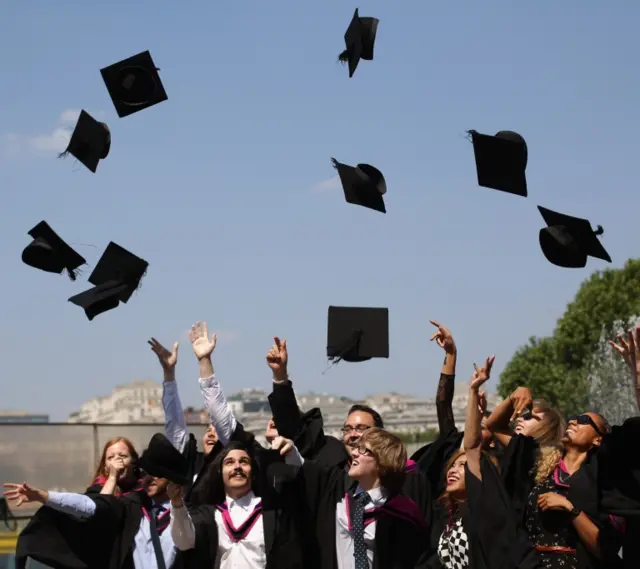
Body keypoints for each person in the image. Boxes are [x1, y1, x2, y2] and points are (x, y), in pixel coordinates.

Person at [6, 433, 207, 569]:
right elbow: (92, 506)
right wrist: (42, 496)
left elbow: (187, 541)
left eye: (123, 455)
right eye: (111, 457)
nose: (149, 478)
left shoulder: (185, 507)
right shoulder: (130, 505)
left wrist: (177, 504)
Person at [429, 355, 541, 569]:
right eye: (453, 465)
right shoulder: (448, 518)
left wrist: (473, 391)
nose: (453, 470)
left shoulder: (487, 508)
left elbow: (472, 445)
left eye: (463, 466)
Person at [276, 427, 432, 569]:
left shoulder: (403, 513)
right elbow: (307, 469)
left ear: (382, 461)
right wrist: (290, 450)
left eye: (363, 449)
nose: (354, 453)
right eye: (356, 448)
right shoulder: (337, 488)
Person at [171, 440, 304, 569]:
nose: (237, 467)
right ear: (220, 472)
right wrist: (177, 504)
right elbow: (184, 542)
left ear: (253, 472)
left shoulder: (272, 513)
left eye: (244, 462)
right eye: (229, 462)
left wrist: (293, 455)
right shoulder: (209, 516)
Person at [149, 336, 223, 504]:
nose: (211, 435)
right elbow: (175, 427)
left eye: (218, 432)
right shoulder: (191, 463)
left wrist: (205, 360)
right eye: (208, 431)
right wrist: (169, 374)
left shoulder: (235, 467)